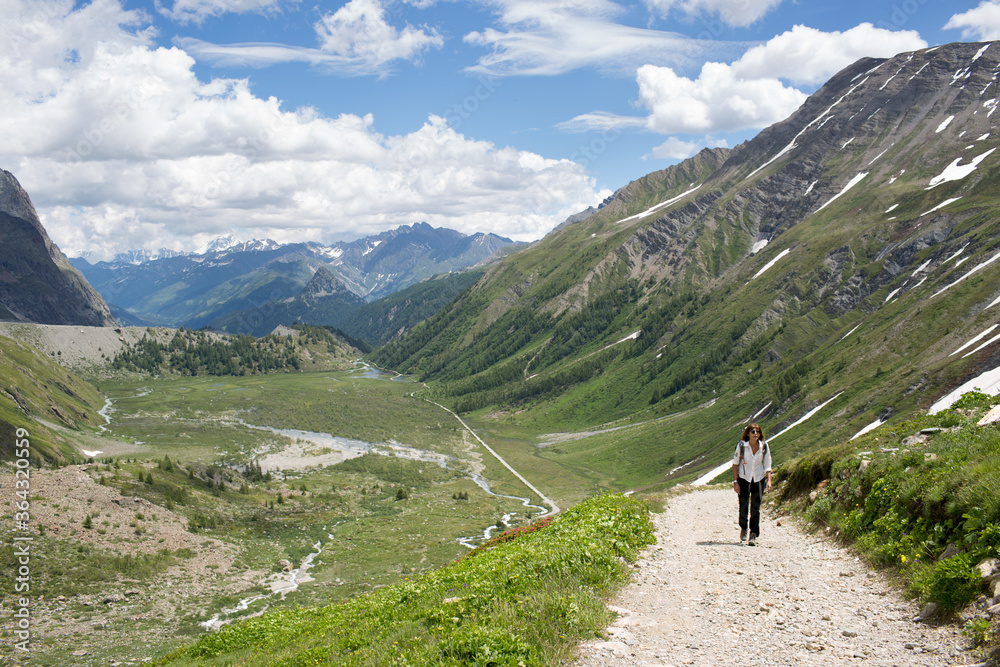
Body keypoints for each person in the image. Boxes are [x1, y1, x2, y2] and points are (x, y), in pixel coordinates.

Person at [732, 422, 772, 546]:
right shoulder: (742, 446)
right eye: (753, 431)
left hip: (758, 479)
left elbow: (767, 464)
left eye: (758, 431)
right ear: (748, 433)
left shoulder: (764, 446)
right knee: (743, 505)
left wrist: (769, 480)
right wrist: (735, 482)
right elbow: (735, 464)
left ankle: (753, 534)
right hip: (744, 479)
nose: (756, 434)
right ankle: (743, 527)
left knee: (756, 507)